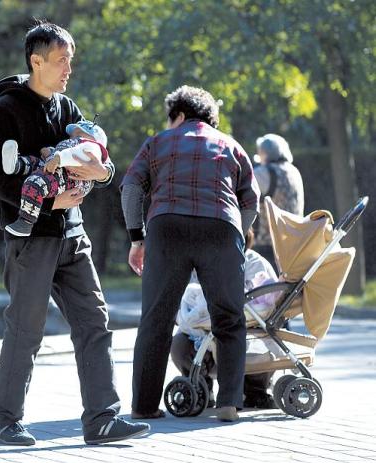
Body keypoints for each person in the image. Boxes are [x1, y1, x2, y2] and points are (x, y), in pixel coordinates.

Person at [0, 21, 149, 446]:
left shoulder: (67, 108)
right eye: (60, 61)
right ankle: (6, 421)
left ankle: (102, 419)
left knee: (95, 322)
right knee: (26, 329)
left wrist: (104, 171)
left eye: (70, 60)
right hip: (30, 237)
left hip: (73, 236)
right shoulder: (5, 110)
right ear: (36, 62)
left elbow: (98, 162)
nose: (68, 68)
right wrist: (48, 203)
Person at [120, 85, 260, 423]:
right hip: (221, 227)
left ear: (179, 115)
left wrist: (137, 237)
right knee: (228, 317)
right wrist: (235, 234)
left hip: (167, 227)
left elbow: (131, 187)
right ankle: (228, 402)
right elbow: (251, 199)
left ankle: (144, 405)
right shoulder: (232, 145)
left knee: (157, 317)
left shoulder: (157, 142)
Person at [170, 230, 279, 410]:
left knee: (258, 345)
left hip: (246, 332)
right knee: (179, 344)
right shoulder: (196, 263)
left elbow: (268, 305)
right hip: (201, 334)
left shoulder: (254, 263)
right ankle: (202, 388)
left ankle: (255, 391)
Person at [1, 119, 109, 236]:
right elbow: (65, 152)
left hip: (71, 180)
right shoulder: (74, 144)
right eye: (72, 135)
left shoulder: (91, 148)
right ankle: (17, 165)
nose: (72, 137)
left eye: (78, 134)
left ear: (95, 140)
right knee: (35, 163)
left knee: (35, 184)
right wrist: (51, 153)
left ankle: (26, 223)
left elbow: (75, 154)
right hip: (60, 171)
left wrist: (57, 158)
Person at [252, 133, 304, 272]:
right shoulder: (294, 171)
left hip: (268, 246)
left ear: (264, 154)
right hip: (293, 243)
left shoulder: (263, 173)